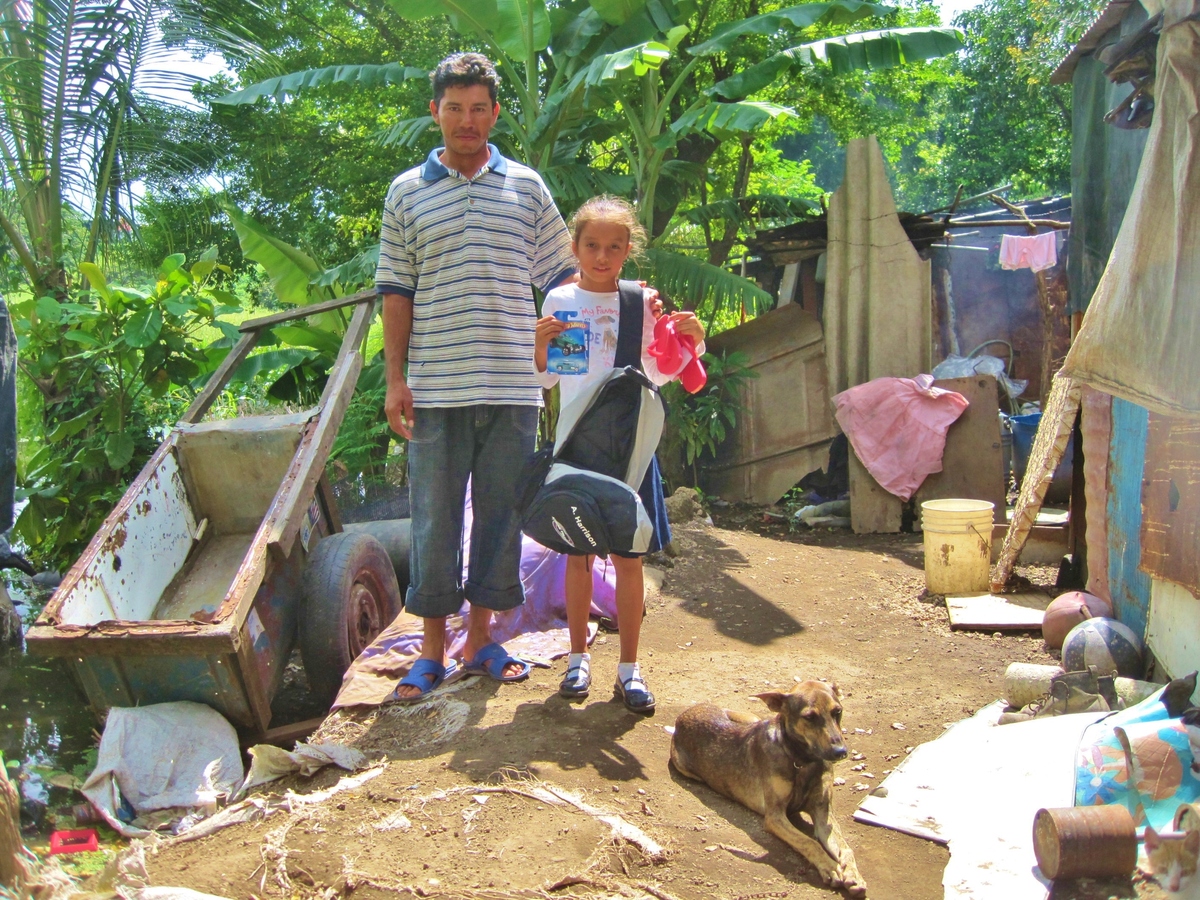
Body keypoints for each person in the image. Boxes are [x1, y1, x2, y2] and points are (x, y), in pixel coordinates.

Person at [376, 52, 578, 701]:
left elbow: (562, 279)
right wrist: (394, 379)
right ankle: (432, 650)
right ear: (435, 111)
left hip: (516, 383)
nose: (467, 120)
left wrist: (581, 343)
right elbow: (396, 291)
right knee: (434, 520)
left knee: (500, 515)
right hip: (435, 388)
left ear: (494, 113)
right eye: (454, 108)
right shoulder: (406, 193)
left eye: (479, 108)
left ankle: (482, 639)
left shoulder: (527, 187)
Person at [533, 195, 706, 714]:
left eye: (613, 247)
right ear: (575, 247)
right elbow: (546, 380)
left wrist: (691, 342)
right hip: (575, 447)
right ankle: (577, 659)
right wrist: (540, 348)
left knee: (631, 560)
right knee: (578, 555)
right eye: (591, 245)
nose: (602, 256)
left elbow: (657, 375)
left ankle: (630, 670)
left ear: (628, 250)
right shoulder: (559, 303)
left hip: (631, 451)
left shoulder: (640, 303)